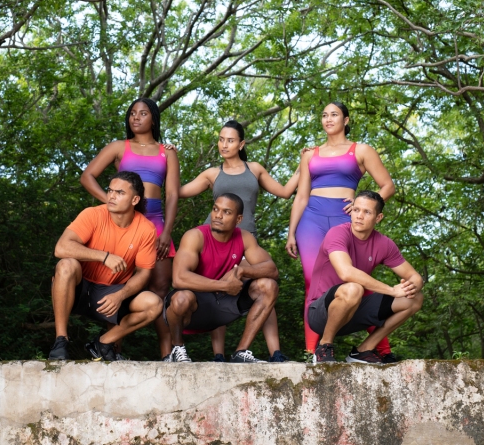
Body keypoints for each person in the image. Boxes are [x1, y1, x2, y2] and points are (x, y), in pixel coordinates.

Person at [179, 119, 298, 362]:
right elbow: (178, 192)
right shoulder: (212, 173)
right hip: (214, 240)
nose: (224, 144)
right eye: (221, 139)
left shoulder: (254, 169)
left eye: (230, 140)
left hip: (245, 241)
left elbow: (285, 192)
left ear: (241, 143)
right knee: (218, 292)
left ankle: (275, 352)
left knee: (266, 286)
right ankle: (219, 355)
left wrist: (303, 166)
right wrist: (168, 160)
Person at [286, 102, 396, 356]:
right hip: (311, 220)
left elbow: (387, 186)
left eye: (334, 114)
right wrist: (291, 232)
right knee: (312, 281)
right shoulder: (309, 154)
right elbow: (301, 196)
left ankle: (382, 348)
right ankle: (313, 351)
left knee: (355, 277)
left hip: (344, 220)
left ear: (346, 120)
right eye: (324, 115)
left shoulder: (361, 149)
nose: (328, 119)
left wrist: (362, 207)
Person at [80, 98, 179, 357]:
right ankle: (110, 350)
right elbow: (87, 176)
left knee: (160, 290)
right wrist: (112, 204)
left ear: (153, 119)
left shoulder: (167, 151)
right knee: (115, 285)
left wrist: (166, 232)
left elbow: (172, 195)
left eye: (143, 113)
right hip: (121, 227)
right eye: (132, 113)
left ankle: (167, 355)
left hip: (156, 225)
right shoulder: (118, 147)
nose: (135, 118)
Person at [48, 171, 163, 361]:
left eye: (119, 193)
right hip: (78, 287)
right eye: (110, 190)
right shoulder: (93, 214)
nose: (111, 196)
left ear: (135, 199)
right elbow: (61, 248)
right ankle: (60, 340)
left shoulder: (146, 229)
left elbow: (143, 273)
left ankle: (102, 343)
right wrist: (103, 256)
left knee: (154, 304)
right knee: (66, 265)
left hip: (110, 294)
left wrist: (121, 295)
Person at [307, 191, 423, 363]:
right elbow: (346, 272)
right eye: (356, 210)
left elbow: (415, 276)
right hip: (321, 313)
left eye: (367, 212)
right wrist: (392, 290)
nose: (359, 216)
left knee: (414, 298)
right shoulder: (337, 233)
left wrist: (409, 287)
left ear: (378, 217)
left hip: (355, 310)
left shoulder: (384, 244)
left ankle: (363, 351)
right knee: (354, 288)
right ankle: (324, 346)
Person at [163, 193, 280, 363]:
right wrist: (223, 286)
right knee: (181, 298)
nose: (218, 215)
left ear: (238, 219)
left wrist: (242, 271)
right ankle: (177, 348)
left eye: (226, 212)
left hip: (225, 303)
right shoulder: (195, 236)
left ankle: (241, 352)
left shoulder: (244, 237)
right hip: (196, 306)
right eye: (215, 209)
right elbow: (179, 279)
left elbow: (272, 269)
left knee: (268, 286)